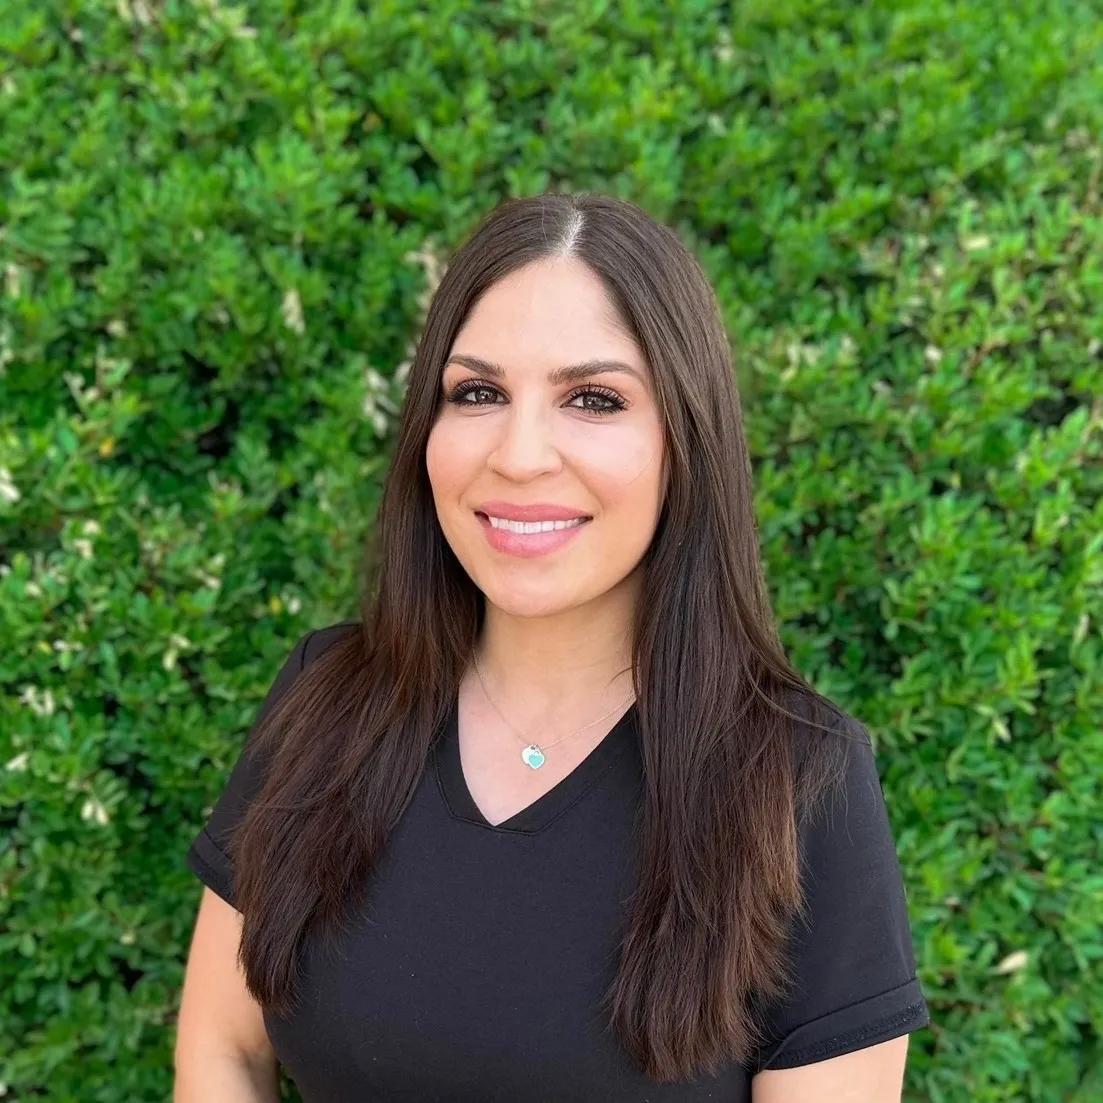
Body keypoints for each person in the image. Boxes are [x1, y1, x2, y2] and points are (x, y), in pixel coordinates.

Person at [174, 192, 929, 1102]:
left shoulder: (797, 778)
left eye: (593, 399)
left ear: (682, 440)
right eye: (478, 393)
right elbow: (224, 1051)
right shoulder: (327, 697)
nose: (520, 453)